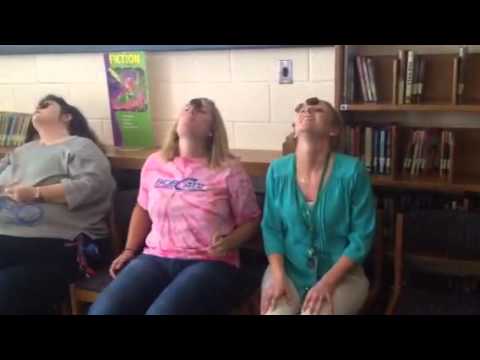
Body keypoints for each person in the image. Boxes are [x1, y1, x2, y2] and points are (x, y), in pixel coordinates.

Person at [89, 98, 261, 315]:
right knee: (102, 311)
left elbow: (251, 220)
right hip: (155, 257)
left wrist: (229, 242)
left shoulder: (229, 168)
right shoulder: (155, 162)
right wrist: (129, 250)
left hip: (210, 262)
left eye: (201, 112)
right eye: (187, 108)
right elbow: (142, 209)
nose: (191, 112)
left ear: (212, 130)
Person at [0, 94, 116, 314]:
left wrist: (36, 193)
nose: (38, 107)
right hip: (8, 237)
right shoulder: (21, 152)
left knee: (7, 288)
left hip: (61, 243)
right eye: (37, 105)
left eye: (46, 104)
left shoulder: (81, 147)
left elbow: (95, 186)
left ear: (67, 116)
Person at [260, 97, 376, 315]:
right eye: (303, 109)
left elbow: (362, 237)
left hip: (342, 275)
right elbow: (271, 229)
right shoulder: (277, 171)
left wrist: (327, 283)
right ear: (295, 130)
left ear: (333, 130)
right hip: (287, 271)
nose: (307, 111)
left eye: (318, 109)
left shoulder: (353, 172)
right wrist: (278, 276)